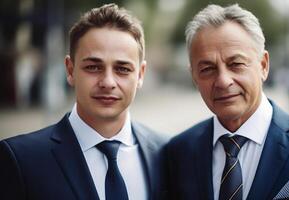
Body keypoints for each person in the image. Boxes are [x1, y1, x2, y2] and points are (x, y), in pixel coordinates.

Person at [166, 4, 289, 200]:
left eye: (236, 64)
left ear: (263, 65)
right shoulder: (178, 153)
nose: (222, 80)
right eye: (207, 69)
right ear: (194, 76)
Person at [0, 4, 167, 200]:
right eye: (93, 67)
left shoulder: (168, 153)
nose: (107, 82)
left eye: (122, 69)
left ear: (140, 74)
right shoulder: (20, 159)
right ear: (70, 70)